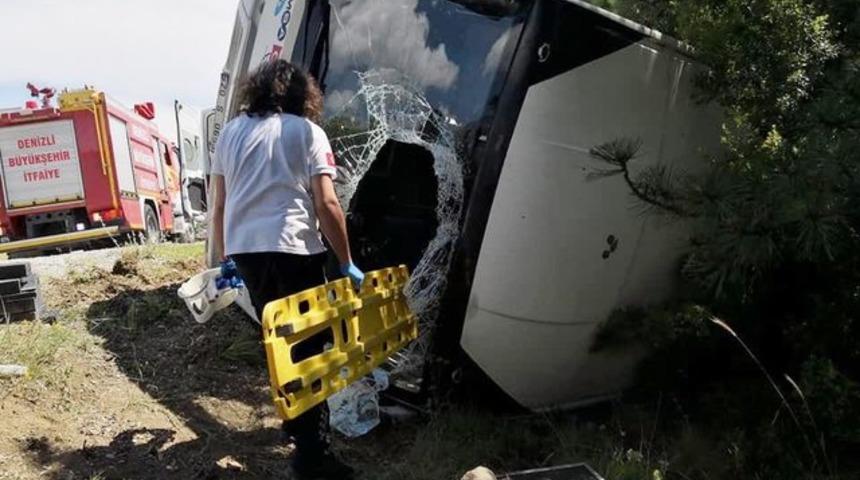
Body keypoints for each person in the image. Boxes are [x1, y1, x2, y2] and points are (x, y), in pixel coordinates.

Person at [209, 59, 363, 480]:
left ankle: (296, 422)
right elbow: (327, 204)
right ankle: (313, 457)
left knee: (278, 337)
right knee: (313, 348)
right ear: (302, 95)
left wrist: (226, 259)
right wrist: (346, 261)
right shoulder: (306, 132)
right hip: (294, 248)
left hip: (246, 251)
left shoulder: (231, 133)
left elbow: (219, 204)